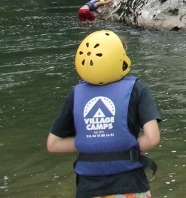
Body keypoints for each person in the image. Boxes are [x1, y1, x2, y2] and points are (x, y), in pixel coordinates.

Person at [46, 30, 161, 198]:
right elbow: (152, 138)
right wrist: (122, 147)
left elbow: (53, 144)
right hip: (130, 185)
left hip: (88, 188)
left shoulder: (76, 93)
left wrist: (92, 144)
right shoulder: (137, 88)